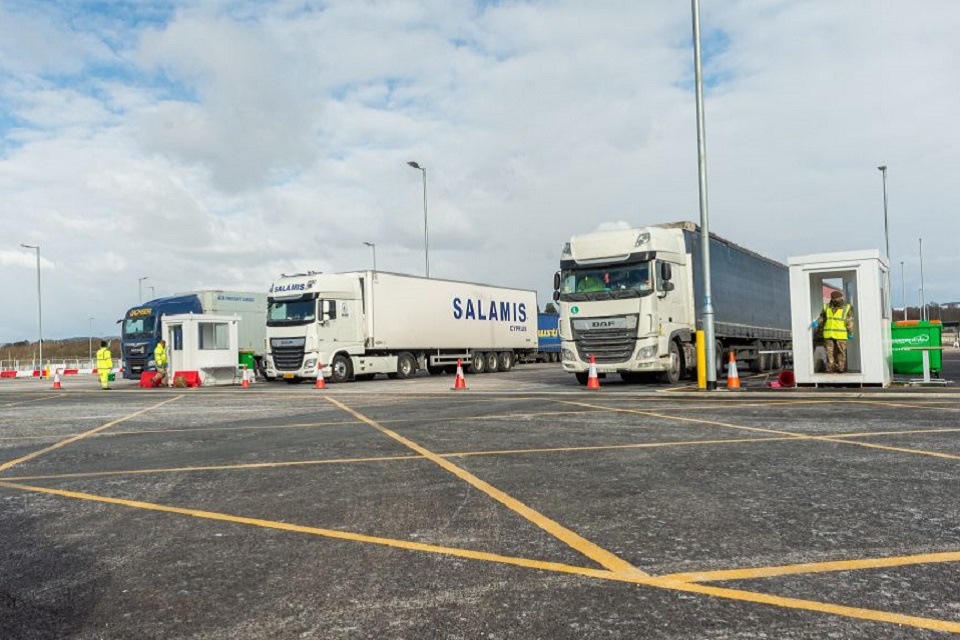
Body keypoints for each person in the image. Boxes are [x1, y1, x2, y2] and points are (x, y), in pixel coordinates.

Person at [812, 291, 854, 373]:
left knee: (840, 352)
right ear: (832, 298)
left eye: (838, 298)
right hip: (828, 334)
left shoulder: (846, 307)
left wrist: (850, 332)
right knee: (829, 353)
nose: (837, 300)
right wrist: (817, 322)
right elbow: (822, 317)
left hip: (841, 334)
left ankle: (840, 368)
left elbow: (849, 321)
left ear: (841, 297)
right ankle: (830, 368)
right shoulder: (826, 307)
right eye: (835, 298)